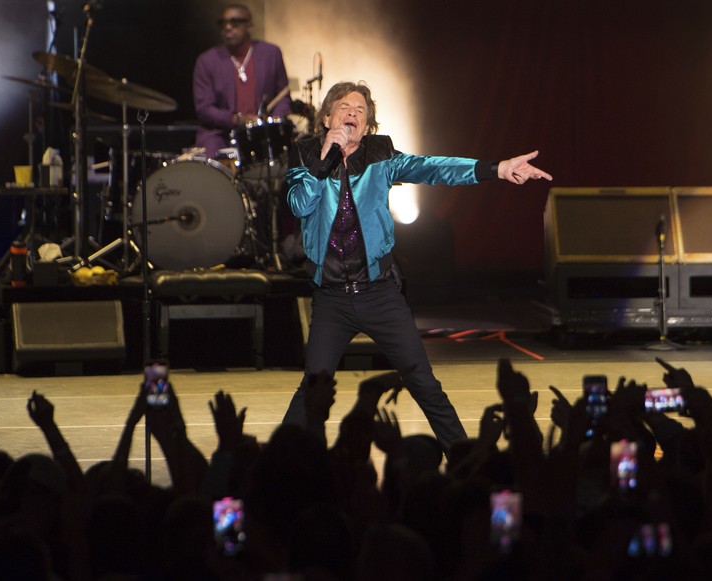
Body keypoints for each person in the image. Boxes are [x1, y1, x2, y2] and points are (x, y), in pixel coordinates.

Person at [280, 81, 553, 451]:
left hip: (380, 295)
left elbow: (433, 168)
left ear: (368, 123)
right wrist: (324, 159)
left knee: (422, 380)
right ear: (327, 116)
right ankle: (287, 463)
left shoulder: (380, 155)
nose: (351, 114)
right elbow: (299, 205)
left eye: (360, 110)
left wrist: (497, 168)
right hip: (331, 300)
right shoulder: (304, 155)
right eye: (343, 107)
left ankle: (461, 456)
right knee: (313, 387)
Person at [192, 3, 292, 158]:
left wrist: (272, 121)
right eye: (223, 23)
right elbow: (204, 110)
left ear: (250, 26)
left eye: (235, 22)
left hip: (262, 132)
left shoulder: (271, 53)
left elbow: (283, 97)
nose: (228, 27)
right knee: (212, 159)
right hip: (221, 134)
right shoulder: (207, 61)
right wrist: (236, 119)